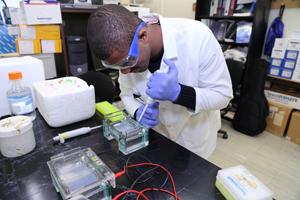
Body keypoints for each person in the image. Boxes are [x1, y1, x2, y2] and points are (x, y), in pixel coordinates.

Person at [87, 5, 233, 158]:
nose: (124, 72)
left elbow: (222, 95)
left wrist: (179, 93)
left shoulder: (197, 36)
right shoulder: (125, 49)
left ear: (143, 36)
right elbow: (126, 95)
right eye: (116, 66)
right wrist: (137, 111)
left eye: (126, 63)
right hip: (157, 139)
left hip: (194, 142)